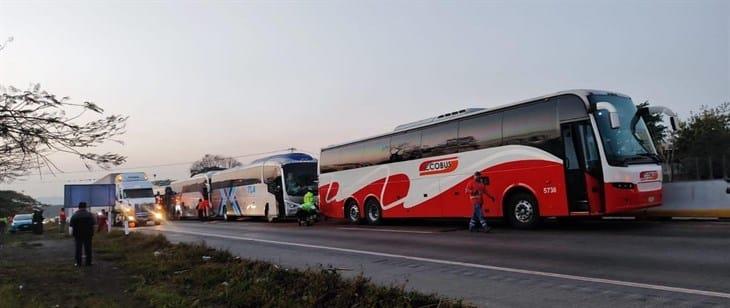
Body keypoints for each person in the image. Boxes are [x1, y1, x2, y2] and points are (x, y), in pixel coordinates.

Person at [69, 202, 96, 266]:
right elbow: (94, 224)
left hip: (78, 234)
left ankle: (78, 263)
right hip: (88, 234)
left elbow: (71, 225)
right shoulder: (90, 215)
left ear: (79, 207)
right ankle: (88, 262)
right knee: (88, 248)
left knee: (78, 249)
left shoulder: (75, 215)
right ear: (85, 207)